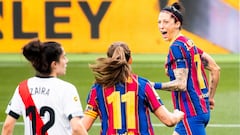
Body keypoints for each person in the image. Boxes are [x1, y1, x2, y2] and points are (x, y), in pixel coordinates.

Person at [81, 41, 184, 135]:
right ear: (130, 60)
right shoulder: (142, 85)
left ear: (109, 60)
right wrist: (177, 114)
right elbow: (169, 120)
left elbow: (81, 127)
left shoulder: (98, 89)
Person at [152, 2, 221, 135]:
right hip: (198, 110)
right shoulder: (188, 43)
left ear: (177, 23)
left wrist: (153, 85)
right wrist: (210, 98)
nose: (161, 26)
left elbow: (181, 84)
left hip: (190, 114)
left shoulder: (176, 48)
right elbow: (215, 68)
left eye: (166, 22)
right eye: (159, 22)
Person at [1, 39, 88, 135]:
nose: (67, 60)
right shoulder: (67, 89)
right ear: (54, 64)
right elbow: (76, 128)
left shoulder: (22, 88)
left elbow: (7, 126)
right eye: (63, 57)